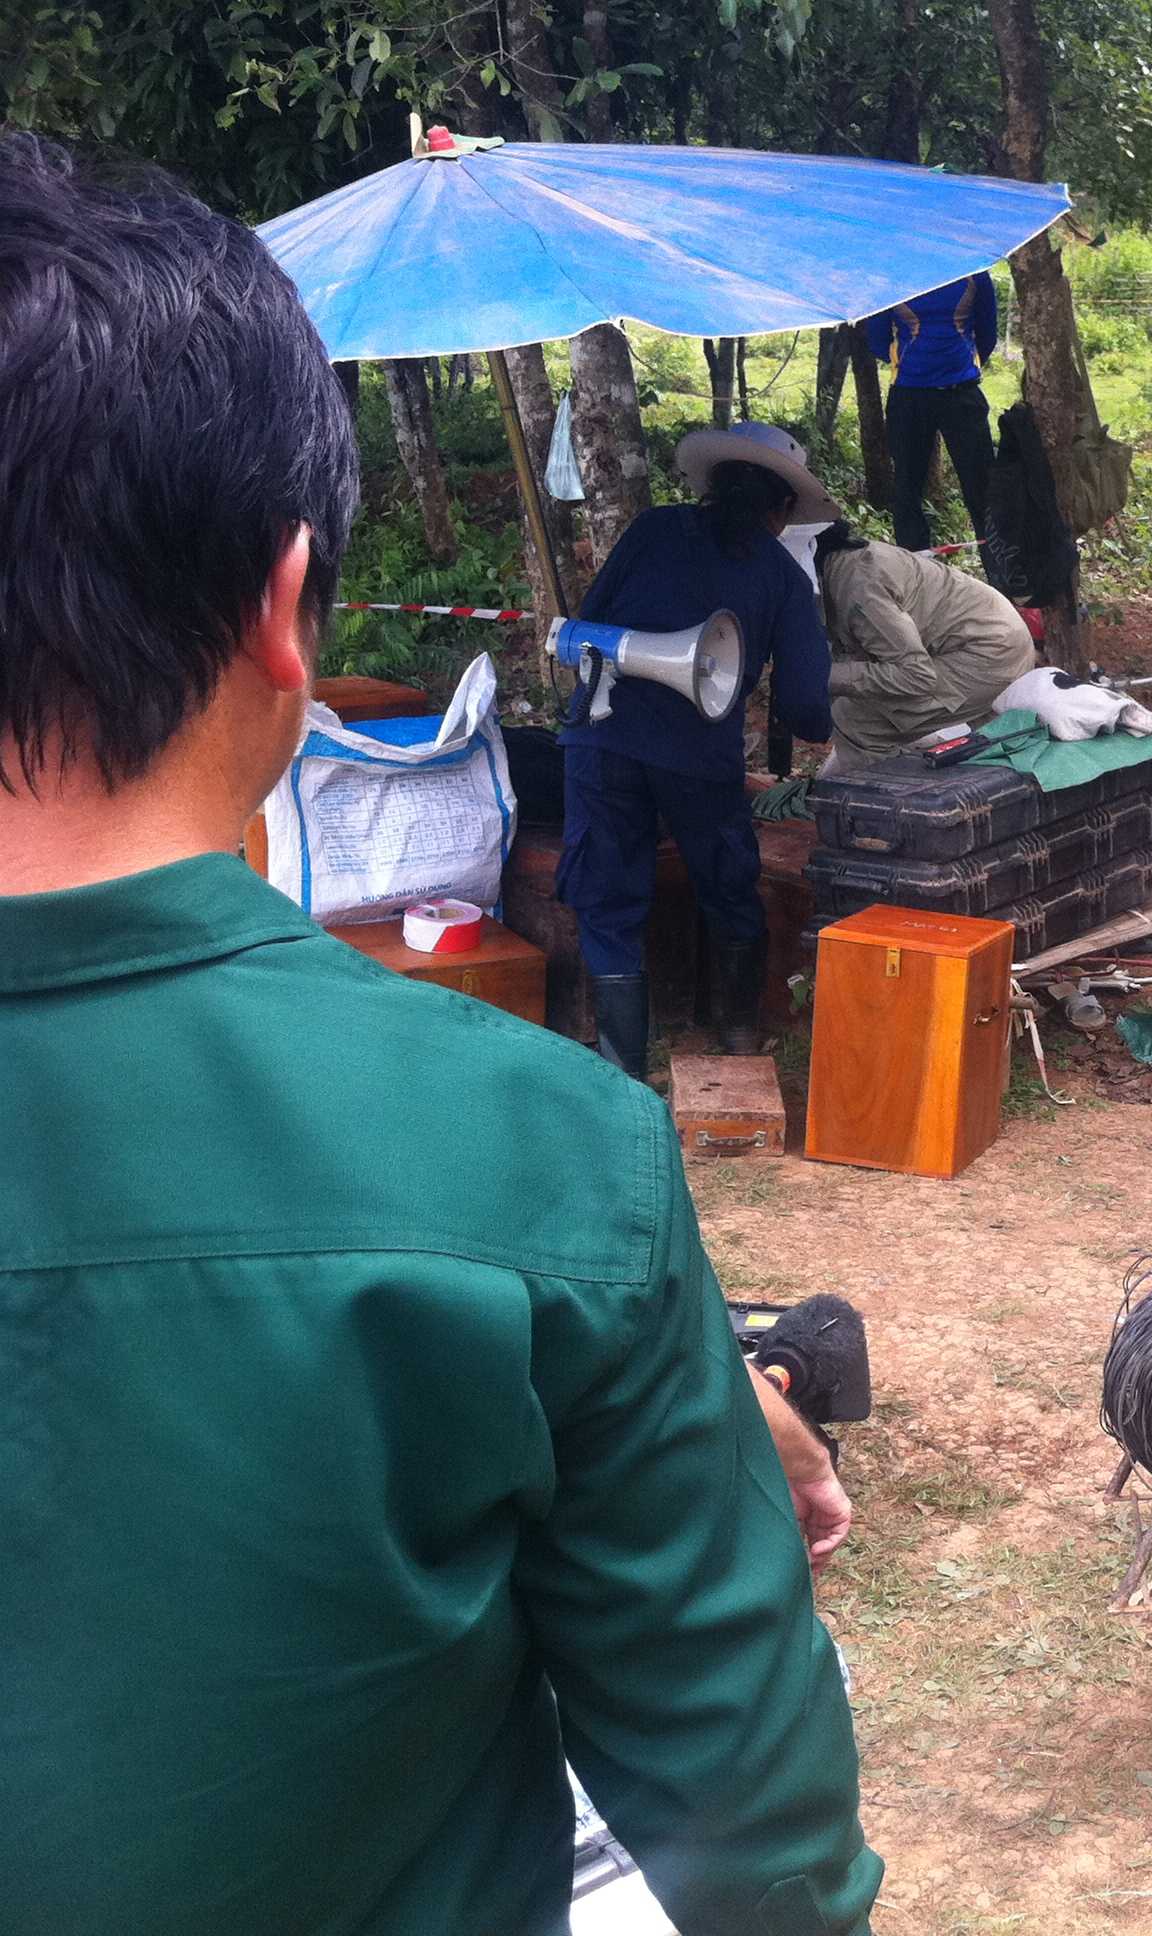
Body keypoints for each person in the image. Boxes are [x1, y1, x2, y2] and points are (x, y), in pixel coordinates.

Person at [0, 133, 880, 1934]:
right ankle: (698, 1025)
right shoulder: (536, 1165)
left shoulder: (641, 532)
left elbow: (576, 661)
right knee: (716, 908)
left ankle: (648, 1011)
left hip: (620, 761)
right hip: (689, 770)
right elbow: (753, 1839)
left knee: (623, 910)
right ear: (280, 602)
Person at [557, 420, 836, 1074]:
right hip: (697, 753)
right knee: (727, 883)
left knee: (606, 899)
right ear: (783, 508)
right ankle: (737, 1040)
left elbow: (589, 627)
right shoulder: (783, 577)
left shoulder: (651, 529)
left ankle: (621, 1069)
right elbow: (807, 711)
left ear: (711, 485)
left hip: (603, 735)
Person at [813, 524, 1041, 775]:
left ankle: (878, 807)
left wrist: (826, 677)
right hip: (986, 639)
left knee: (855, 722)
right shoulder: (845, 564)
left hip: (988, 651)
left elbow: (914, 675)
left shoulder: (858, 585)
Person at [864, 271, 999, 554]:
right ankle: (1002, 576)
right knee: (980, 489)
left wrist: (913, 363)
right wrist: (959, 364)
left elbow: (878, 341)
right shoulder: (973, 272)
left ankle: (921, 575)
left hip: (916, 393)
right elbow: (987, 336)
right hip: (956, 391)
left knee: (909, 488)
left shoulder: (889, 276)